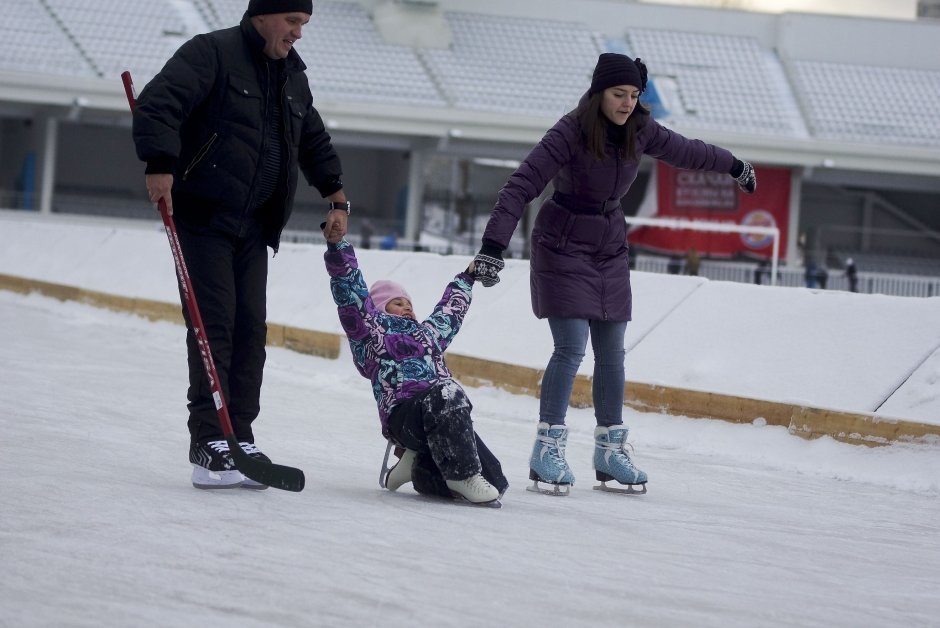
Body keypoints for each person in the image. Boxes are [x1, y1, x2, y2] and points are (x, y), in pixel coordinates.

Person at [471, 52, 757, 495]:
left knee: (613, 352)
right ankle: (547, 448)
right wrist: (493, 247)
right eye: (618, 94)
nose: (627, 103)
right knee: (570, 348)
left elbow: (688, 152)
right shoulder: (569, 131)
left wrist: (734, 164)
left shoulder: (640, 130)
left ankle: (609, 449)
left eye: (634, 95)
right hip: (562, 242)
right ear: (599, 93)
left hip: (608, 244)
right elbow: (521, 185)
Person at [132, 0, 349, 489]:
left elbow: (311, 139)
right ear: (264, 16)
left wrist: (337, 197)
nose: (298, 33)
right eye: (293, 22)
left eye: (304, 24)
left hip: (256, 225)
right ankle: (209, 441)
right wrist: (160, 163)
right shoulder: (211, 53)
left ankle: (241, 437)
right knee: (216, 327)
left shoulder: (293, 76)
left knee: (251, 329)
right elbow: (158, 104)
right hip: (204, 217)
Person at [323, 227, 508, 506]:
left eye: (408, 303)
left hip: (439, 418)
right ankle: (461, 476)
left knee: (496, 481)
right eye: (397, 303)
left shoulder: (428, 334)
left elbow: (450, 312)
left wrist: (468, 275)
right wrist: (338, 247)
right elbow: (350, 293)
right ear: (379, 308)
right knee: (448, 391)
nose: (407, 307)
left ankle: (418, 468)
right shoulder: (371, 331)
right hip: (404, 415)